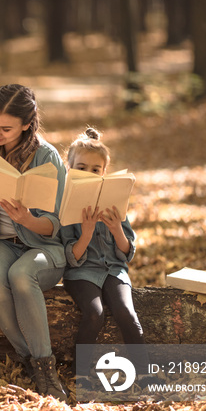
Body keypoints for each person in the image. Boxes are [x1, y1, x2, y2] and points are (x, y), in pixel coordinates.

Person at [0, 84, 68, 401]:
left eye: (5, 127)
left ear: (27, 124)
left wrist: (27, 218)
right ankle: (29, 356)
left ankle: (46, 369)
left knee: (20, 275)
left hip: (44, 246)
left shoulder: (47, 157)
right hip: (2, 243)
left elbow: (56, 226)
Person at [59, 127, 149, 385]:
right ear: (70, 168)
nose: (89, 173)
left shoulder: (113, 200)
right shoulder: (67, 203)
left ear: (104, 172)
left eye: (95, 169)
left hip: (113, 270)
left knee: (126, 313)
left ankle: (143, 371)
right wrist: (86, 234)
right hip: (82, 272)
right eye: (81, 168)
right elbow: (70, 256)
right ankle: (80, 373)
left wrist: (116, 229)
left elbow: (126, 251)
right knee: (94, 313)